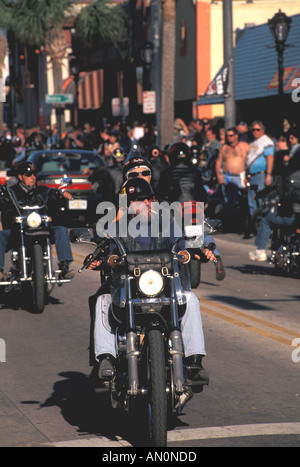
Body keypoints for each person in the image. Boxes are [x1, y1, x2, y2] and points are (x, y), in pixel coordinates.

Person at [88, 177, 215, 385]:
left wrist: (199, 253)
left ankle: (194, 362)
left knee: (190, 299)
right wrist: (102, 262)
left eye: (149, 199)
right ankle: (106, 359)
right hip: (130, 289)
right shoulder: (116, 228)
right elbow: (108, 253)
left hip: (164, 288)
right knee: (103, 300)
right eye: (139, 200)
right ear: (128, 204)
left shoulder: (168, 224)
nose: (146, 204)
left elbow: (183, 246)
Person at [156, 142, 226, 281]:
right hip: (194, 209)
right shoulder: (195, 171)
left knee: (165, 234)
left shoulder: (167, 173)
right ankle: (216, 257)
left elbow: (159, 194)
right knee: (205, 229)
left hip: (174, 210)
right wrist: (203, 204)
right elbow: (201, 192)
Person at [0, 162, 75, 280]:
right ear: (20, 177)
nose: (33, 177)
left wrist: (61, 196)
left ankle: (64, 267)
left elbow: (53, 196)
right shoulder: (11, 192)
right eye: (28, 174)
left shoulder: (43, 191)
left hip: (42, 229)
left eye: (34, 174)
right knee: (0, 236)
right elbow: (4, 203)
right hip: (18, 231)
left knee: (61, 230)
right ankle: (0, 270)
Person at [249, 140, 300, 261]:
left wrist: (260, 194)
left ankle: (260, 251)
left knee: (267, 220)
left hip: (292, 216)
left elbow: (276, 188)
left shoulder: (287, 175)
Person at [215, 127, 249, 221]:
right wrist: (219, 175)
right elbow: (218, 162)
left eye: (231, 135)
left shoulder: (245, 146)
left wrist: (247, 177)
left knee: (241, 199)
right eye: (227, 136)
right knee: (228, 201)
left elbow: (250, 161)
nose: (229, 137)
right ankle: (230, 222)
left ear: (236, 136)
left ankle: (241, 222)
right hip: (227, 177)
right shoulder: (224, 148)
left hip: (240, 177)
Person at [246, 121, 275, 216]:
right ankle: (253, 228)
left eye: (257, 129)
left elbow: (270, 158)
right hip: (252, 176)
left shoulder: (266, 141)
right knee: (252, 203)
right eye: (253, 130)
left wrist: (268, 175)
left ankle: (263, 227)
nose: (255, 132)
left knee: (263, 202)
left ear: (263, 130)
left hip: (261, 175)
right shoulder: (254, 142)